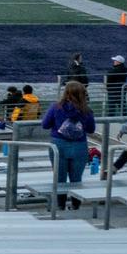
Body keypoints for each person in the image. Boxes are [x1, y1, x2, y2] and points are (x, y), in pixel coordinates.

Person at [42, 80, 96, 209]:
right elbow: (91, 129)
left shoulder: (55, 107)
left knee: (59, 178)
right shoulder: (87, 110)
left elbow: (45, 125)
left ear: (65, 93)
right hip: (79, 146)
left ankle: (60, 206)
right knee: (76, 179)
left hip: (58, 146)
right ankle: (76, 206)